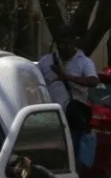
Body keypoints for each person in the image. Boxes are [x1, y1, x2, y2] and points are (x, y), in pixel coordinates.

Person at [37, 26, 99, 167]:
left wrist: (67, 77)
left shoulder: (84, 62)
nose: (62, 47)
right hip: (50, 121)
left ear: (73, 42)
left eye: (65, 43)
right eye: (59, 43)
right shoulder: (46, 61)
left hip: (73, 121)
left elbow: (94, 81)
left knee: (71, 161)